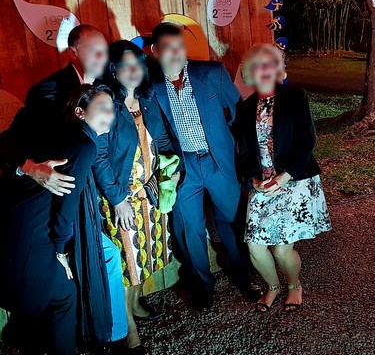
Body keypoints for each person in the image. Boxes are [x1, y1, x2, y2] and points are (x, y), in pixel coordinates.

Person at [0, 25, 129, 347]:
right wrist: (28, 167)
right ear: (74, 51)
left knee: (91, 266)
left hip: (69, 195)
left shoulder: (101, 88)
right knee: (92, 263)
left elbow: (94, 148)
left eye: (105, 51)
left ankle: (94, 332)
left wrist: (114, 197)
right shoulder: (48, 91)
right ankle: (102, 335)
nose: (102, 58)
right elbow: (12, 142)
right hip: (46, 197)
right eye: (94, 51)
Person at [150, 22, 259, 310]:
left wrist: (233, 150)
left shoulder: (210, 73)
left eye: (180, 47)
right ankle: (202, 284)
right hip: (183, 166)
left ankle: (243, 275)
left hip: (218, 160)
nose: (176, 54)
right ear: (154, 51)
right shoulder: (151, 88)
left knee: (233, 221)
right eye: (168, 49)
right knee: (189, 228)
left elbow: (239, 110)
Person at [235, 44, 332, 313]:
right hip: (263, 185)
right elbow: (245, 152)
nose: (263, 69)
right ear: (250, 72)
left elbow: (307, 141)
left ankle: (293, 285)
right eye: (257, 64)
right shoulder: (244, 108)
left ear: (278, 69)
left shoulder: (295, 96)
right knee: (255, 248)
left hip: (294, 180)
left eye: (270, 63)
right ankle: (272, 287)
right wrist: (254, 179)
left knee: (280, 250)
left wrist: (283, 177)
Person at [98, 40, 179, 352]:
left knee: (145, 258)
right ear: (114, 70)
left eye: (138, 64)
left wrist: (174, 168)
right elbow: (99, 156)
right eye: (125, 65)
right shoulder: (106, 101)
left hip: (150, 193)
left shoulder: (147, 99)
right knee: (125, 261)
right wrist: (117, 198)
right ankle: (127, 325)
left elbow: (162, 139)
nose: (133, 71)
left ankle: (135, 305)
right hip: (121, 198)